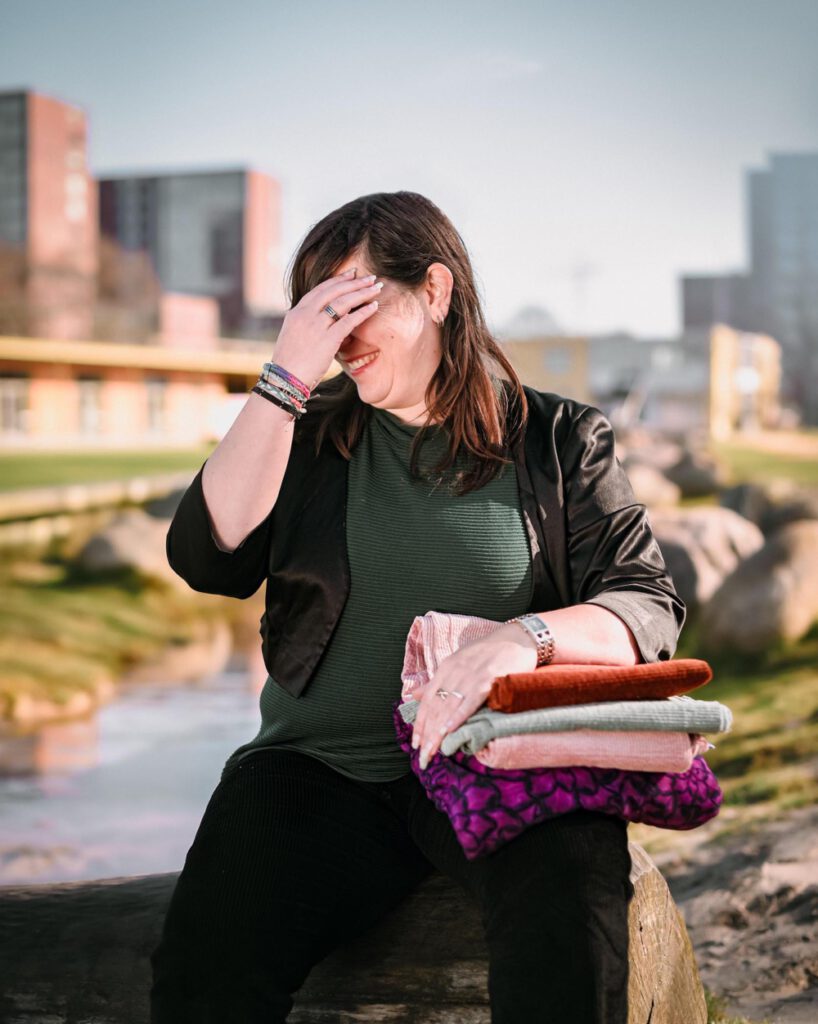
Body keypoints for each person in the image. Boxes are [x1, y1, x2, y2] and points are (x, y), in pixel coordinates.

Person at [149, 190, 685, 1023]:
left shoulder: (559, 439)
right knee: (206, 961)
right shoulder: (305, 432)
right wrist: (284, 377)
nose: (341, 340)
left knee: (573, 911)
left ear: (435, 292)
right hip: (318, 772)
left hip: (499, 758)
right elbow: (206, 558)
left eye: (355, 305)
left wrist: (523, 640)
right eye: (319, 314)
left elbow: (645, 602)